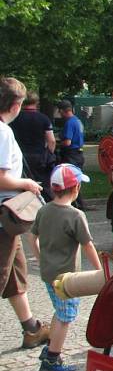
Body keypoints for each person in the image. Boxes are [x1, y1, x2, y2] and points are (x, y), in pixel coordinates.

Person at [31, 164, 102, 371]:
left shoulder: (43, 210)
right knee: (66, 316)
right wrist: (100, 272)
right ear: (76, 188)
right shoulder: (75, 215)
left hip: (47, 274)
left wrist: (39, 257)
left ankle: (50, 347)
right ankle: (52, 359)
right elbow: (88, 246)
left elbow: (31, 237)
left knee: (59, 311)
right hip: (66, 279)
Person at [0, 77, 50, 350]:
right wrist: (27, 184)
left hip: (9, 223)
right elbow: (2, 179)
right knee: (3, 271)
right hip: (3, 216)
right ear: (16, 104)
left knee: (17, 273)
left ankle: (31, 328)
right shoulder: (3, 132)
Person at [9, 91, 57, 194]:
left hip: (21, 156)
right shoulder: (44, 118)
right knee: (41, 184)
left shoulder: (15, 118)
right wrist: (49, 154)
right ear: (37, 102)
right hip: (39, 156)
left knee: (22, 183)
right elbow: (51, 141)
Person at [56, 100, 87, 210]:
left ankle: (75, 204)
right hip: (79, 153)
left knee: (70, 180)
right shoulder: (77, 121)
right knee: (77, 179)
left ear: (62, 111)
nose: (59, 115)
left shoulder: (69, 123)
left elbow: (67, 142)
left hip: (71, 154)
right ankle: (80, 203)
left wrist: (57, 143)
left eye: (59, 112)